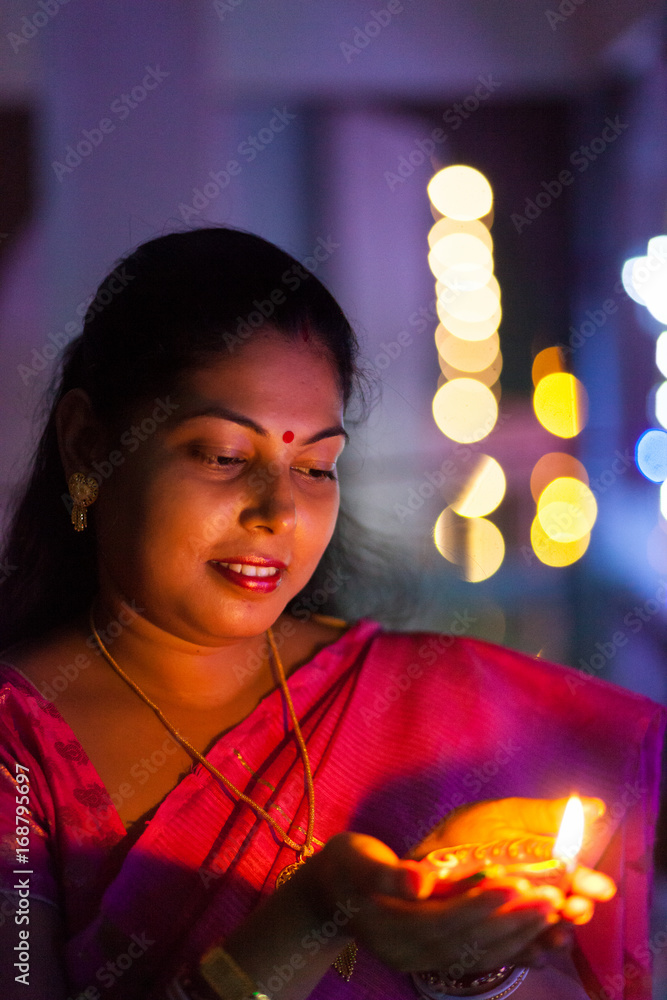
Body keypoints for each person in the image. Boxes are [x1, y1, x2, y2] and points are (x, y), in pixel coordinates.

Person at [0, 227, 663, 1000]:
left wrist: (478, 952)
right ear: (89, 445)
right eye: (222, 456)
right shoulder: (21, 752)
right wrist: (316, 911)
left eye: (315, 466)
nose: (278, 510)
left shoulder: (436, 697)